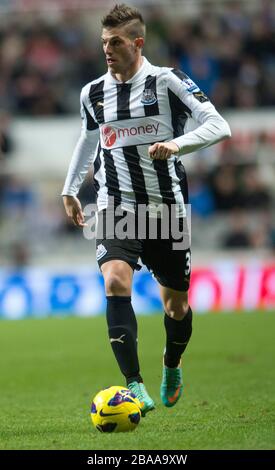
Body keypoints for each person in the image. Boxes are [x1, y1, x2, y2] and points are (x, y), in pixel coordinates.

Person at [62, 4, 231, 416]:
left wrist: (177, 144)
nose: (107, 49)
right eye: (104, 42)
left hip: (165, 209)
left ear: (137, 43)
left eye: (116, 42)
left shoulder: (167, 80)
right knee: (115, 281)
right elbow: (89, 139)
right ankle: (134, 385)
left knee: (176, 304)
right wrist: (70, 189)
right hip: (115, 205)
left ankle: (171, 365)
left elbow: (218, 124)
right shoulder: (93, 93)